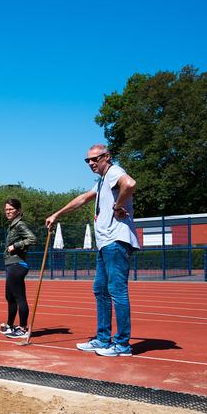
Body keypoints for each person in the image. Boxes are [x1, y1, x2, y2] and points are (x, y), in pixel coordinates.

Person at [46, 144, 139, 357]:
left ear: (107, 157)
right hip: (105, 243)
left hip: (117, 241)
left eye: (94, 159)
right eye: (87, 160)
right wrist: (57, 214)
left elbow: (130, 183)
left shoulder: (115, 172)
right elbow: (81, 199)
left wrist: (117, 206)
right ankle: (103, 338)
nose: (90, 163)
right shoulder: (101, 181)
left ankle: (123, 345)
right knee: (100, 290)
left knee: (117, 291)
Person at [0, 198, 37, 339]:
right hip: (11, 264)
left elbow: (32, 239)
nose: (8, 212)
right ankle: (10, 325)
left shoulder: (20, 224)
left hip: (17, 264)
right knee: (10, 297)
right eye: (6, 209)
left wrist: (15, 246)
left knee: (19, 297)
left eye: (11, 209)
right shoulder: (12, 225)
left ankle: (23, 328)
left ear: (18, 210)